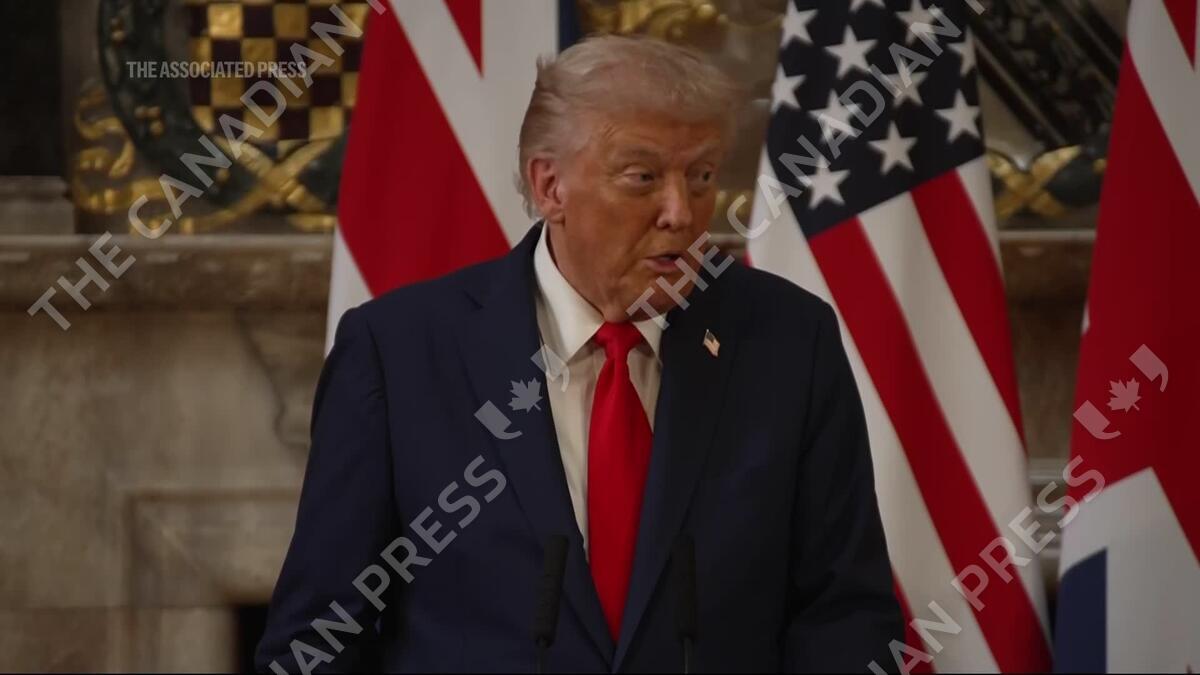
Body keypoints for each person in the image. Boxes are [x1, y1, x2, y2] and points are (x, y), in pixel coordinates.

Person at [257, 34, 903, 673]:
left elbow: (843, 615)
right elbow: (318, 637)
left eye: (701, 176)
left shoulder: (788, 339)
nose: (680, 212)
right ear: (550, 187)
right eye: (643, 177)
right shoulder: (398, 353)